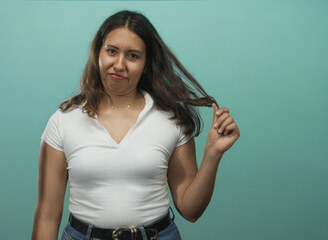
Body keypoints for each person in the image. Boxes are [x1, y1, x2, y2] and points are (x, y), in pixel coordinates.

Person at [32, 10, 240, 240]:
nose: (119, 64)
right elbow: (47, 215)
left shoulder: (171, 120)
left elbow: (191, 211)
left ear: (146, 64)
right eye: (112, 51)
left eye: (132, 56)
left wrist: (212, 154)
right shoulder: (64, 120)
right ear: (97, 53)